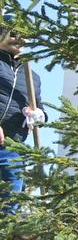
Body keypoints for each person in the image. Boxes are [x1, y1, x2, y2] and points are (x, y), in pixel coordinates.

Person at [0, 30, 45, 212]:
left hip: (13, 149)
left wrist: (39, 115)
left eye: (23, 35)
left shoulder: (33, 77)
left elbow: (40, 108)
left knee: (11, 204)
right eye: (13, 34)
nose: (19, 39)